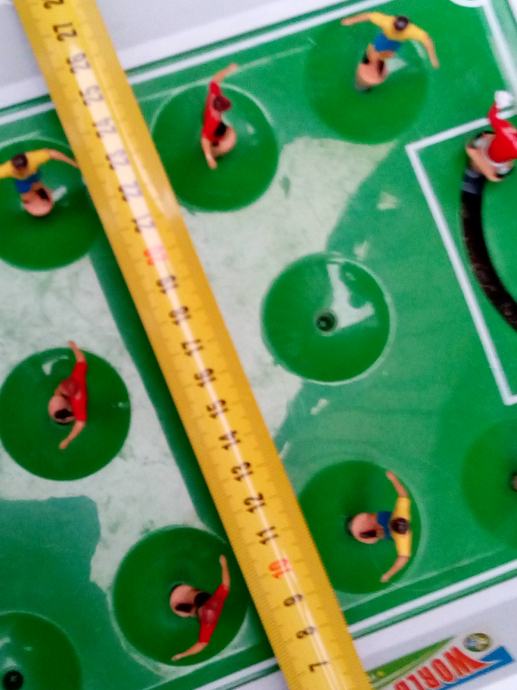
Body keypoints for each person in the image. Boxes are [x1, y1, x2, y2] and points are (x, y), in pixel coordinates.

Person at [341, 13, 439, 90]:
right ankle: (367, 60)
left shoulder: (413, 31)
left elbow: (428, 41)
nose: (396, 31)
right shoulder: (386, 21)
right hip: (384, 37)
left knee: (385, 55)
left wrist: (433, 57)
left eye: (399, 30)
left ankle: (379, 65)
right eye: (395, 27)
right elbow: (368, 16)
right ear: (394, 20)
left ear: (407, 26)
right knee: (372, 50)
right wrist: (351, 20)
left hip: (395, 43)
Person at [347, 471, 412, 583]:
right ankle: (372, 522)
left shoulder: (402, 541)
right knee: (376, 517)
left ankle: (374, 534)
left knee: (382, 534)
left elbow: (403, 559)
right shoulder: (402, 512)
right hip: (388, 517)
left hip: (390, 533)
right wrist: (393, 479)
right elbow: (403, 495)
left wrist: (389, 574)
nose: (388, 526)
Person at [170, 555, 231, 661]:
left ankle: (190, 610)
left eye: (200, 612)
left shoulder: (207, 624)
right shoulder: (216, 600)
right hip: (203, 600)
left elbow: (202, 644)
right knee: (194, 595)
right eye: (201, 609)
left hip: (199, 610)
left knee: (189, 610)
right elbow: (226, 584)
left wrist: (182, 655)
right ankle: (189, 596)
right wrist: (224, 564)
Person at [0, 148, 78, 215]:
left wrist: (73, 163)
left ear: (27, 164)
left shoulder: (34, 158)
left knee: (37, 186)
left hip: (33, 175)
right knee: (25, 197)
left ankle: (46, 191)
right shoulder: (6, 169)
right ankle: (29, 197)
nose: (22, 172)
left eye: (23, 170)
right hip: (21, 181)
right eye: (18, 170)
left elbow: (53, 153)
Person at [467, 90, 517, 182]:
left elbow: (491, 115)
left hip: (485, 149)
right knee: (506, 169)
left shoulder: (506, 129)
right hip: (497, 165)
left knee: (485, 136)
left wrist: (497, 104)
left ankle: (475, 163)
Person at [48, 341, 88, 450]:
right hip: (69, 396)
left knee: (68, 418)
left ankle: (67, 418)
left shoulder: (78, 402)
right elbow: (81, 360)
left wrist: (68, 440)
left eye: (62, 390)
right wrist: (74, 347)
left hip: (72, 409)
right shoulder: (76, 376)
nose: (60, 389)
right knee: (57, 394)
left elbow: (80, 423)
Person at [201, 64, 238, 170]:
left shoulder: (215, 94)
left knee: (226, 132)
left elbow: (215, 80)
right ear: (220, 110)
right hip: (211, 128)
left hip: (207, 115)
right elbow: (204, 139)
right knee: (217, 143)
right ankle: (214, 153)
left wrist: (228, 69)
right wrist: (209, 158)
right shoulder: (214, 120)